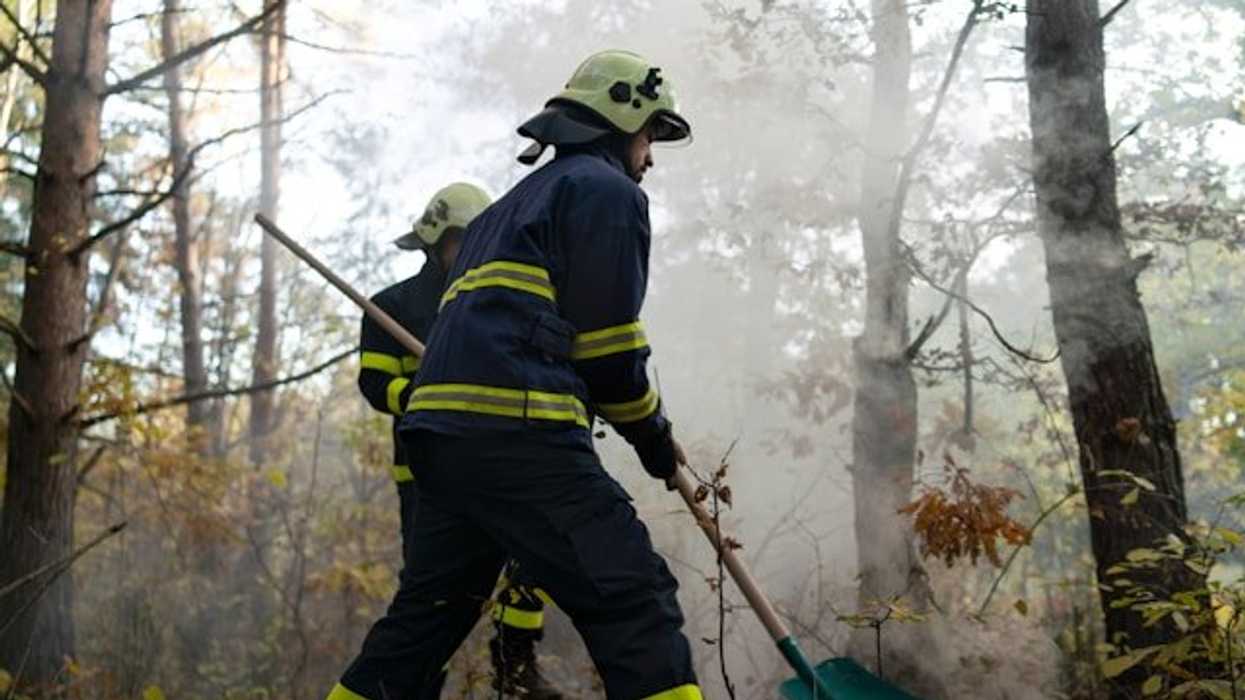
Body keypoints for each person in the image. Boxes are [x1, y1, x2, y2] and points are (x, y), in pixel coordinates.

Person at [395, 49, 701, 700]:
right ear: (624, 119)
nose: (650, 157)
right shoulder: (603, 191)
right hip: (518, 434)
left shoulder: (503, 210)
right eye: (650, 136)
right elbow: (609, 349)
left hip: (442, 443)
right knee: (633, 598)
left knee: (418, 630)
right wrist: (653, 437)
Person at [328, 183, 564, 700]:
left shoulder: (497, 302)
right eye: (461, 240)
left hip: (497, 465)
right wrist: (420, 391)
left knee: (531, 559)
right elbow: (374, 384)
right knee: (429, 597)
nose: (471, 251)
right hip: (427, 474)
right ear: (434, 243)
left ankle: (515, 661)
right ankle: (415, 685)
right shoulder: (391, 307)